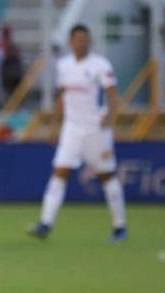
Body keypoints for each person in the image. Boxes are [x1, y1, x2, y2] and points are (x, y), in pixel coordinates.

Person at [29, 24, 127, 242]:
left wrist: (109, 116)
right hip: (72, 130)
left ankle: (119, 226)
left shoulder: (100, 65)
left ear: (89, 42)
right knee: (59, 173)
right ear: (71, 42)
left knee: (106, 176)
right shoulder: (64, 66)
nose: (81, 43)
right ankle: (45, 223)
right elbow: (61, 97)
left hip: (96, 130)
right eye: (77, 39)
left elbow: (112, 95)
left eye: (85, 39)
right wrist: (54, 126)